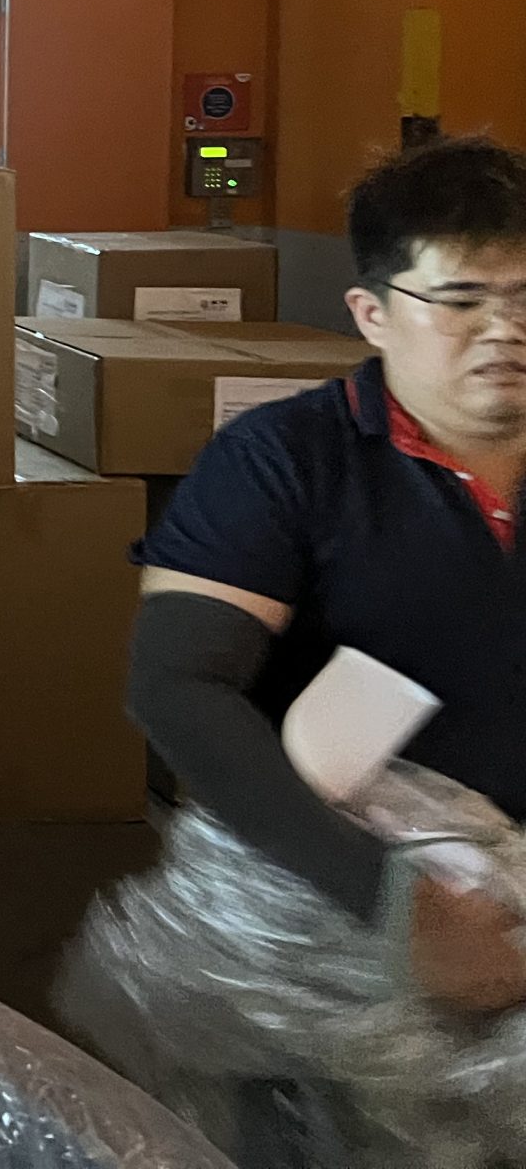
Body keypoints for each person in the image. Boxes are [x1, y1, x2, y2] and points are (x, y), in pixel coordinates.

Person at [129, 136, 526, 1035]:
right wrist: (394, 905)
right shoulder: (284, 462)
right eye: (462, 298)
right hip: (348, 934)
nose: (506, 328)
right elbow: (179, 683)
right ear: (372, 313)